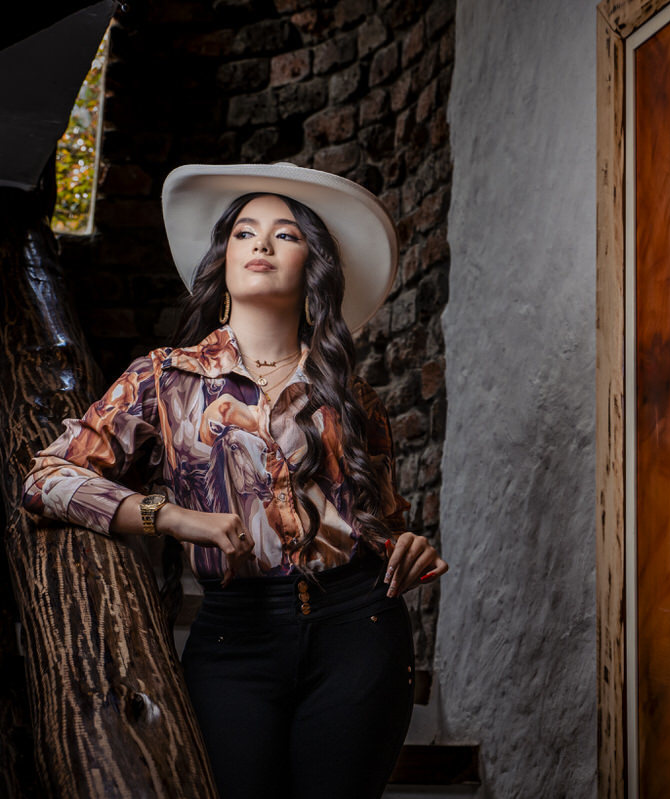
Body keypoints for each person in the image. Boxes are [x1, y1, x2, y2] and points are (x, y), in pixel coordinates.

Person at [20, 162, 447, 799]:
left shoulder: (352, 396)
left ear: (314, 266)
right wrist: (167, 516)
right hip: (233, 638)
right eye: (245, 233)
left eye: (286, 234)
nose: (263, 245)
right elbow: (45, 478)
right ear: (223, 258)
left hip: (361, 631)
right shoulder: (162, 380)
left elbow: (378, 523)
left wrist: (406, 546)